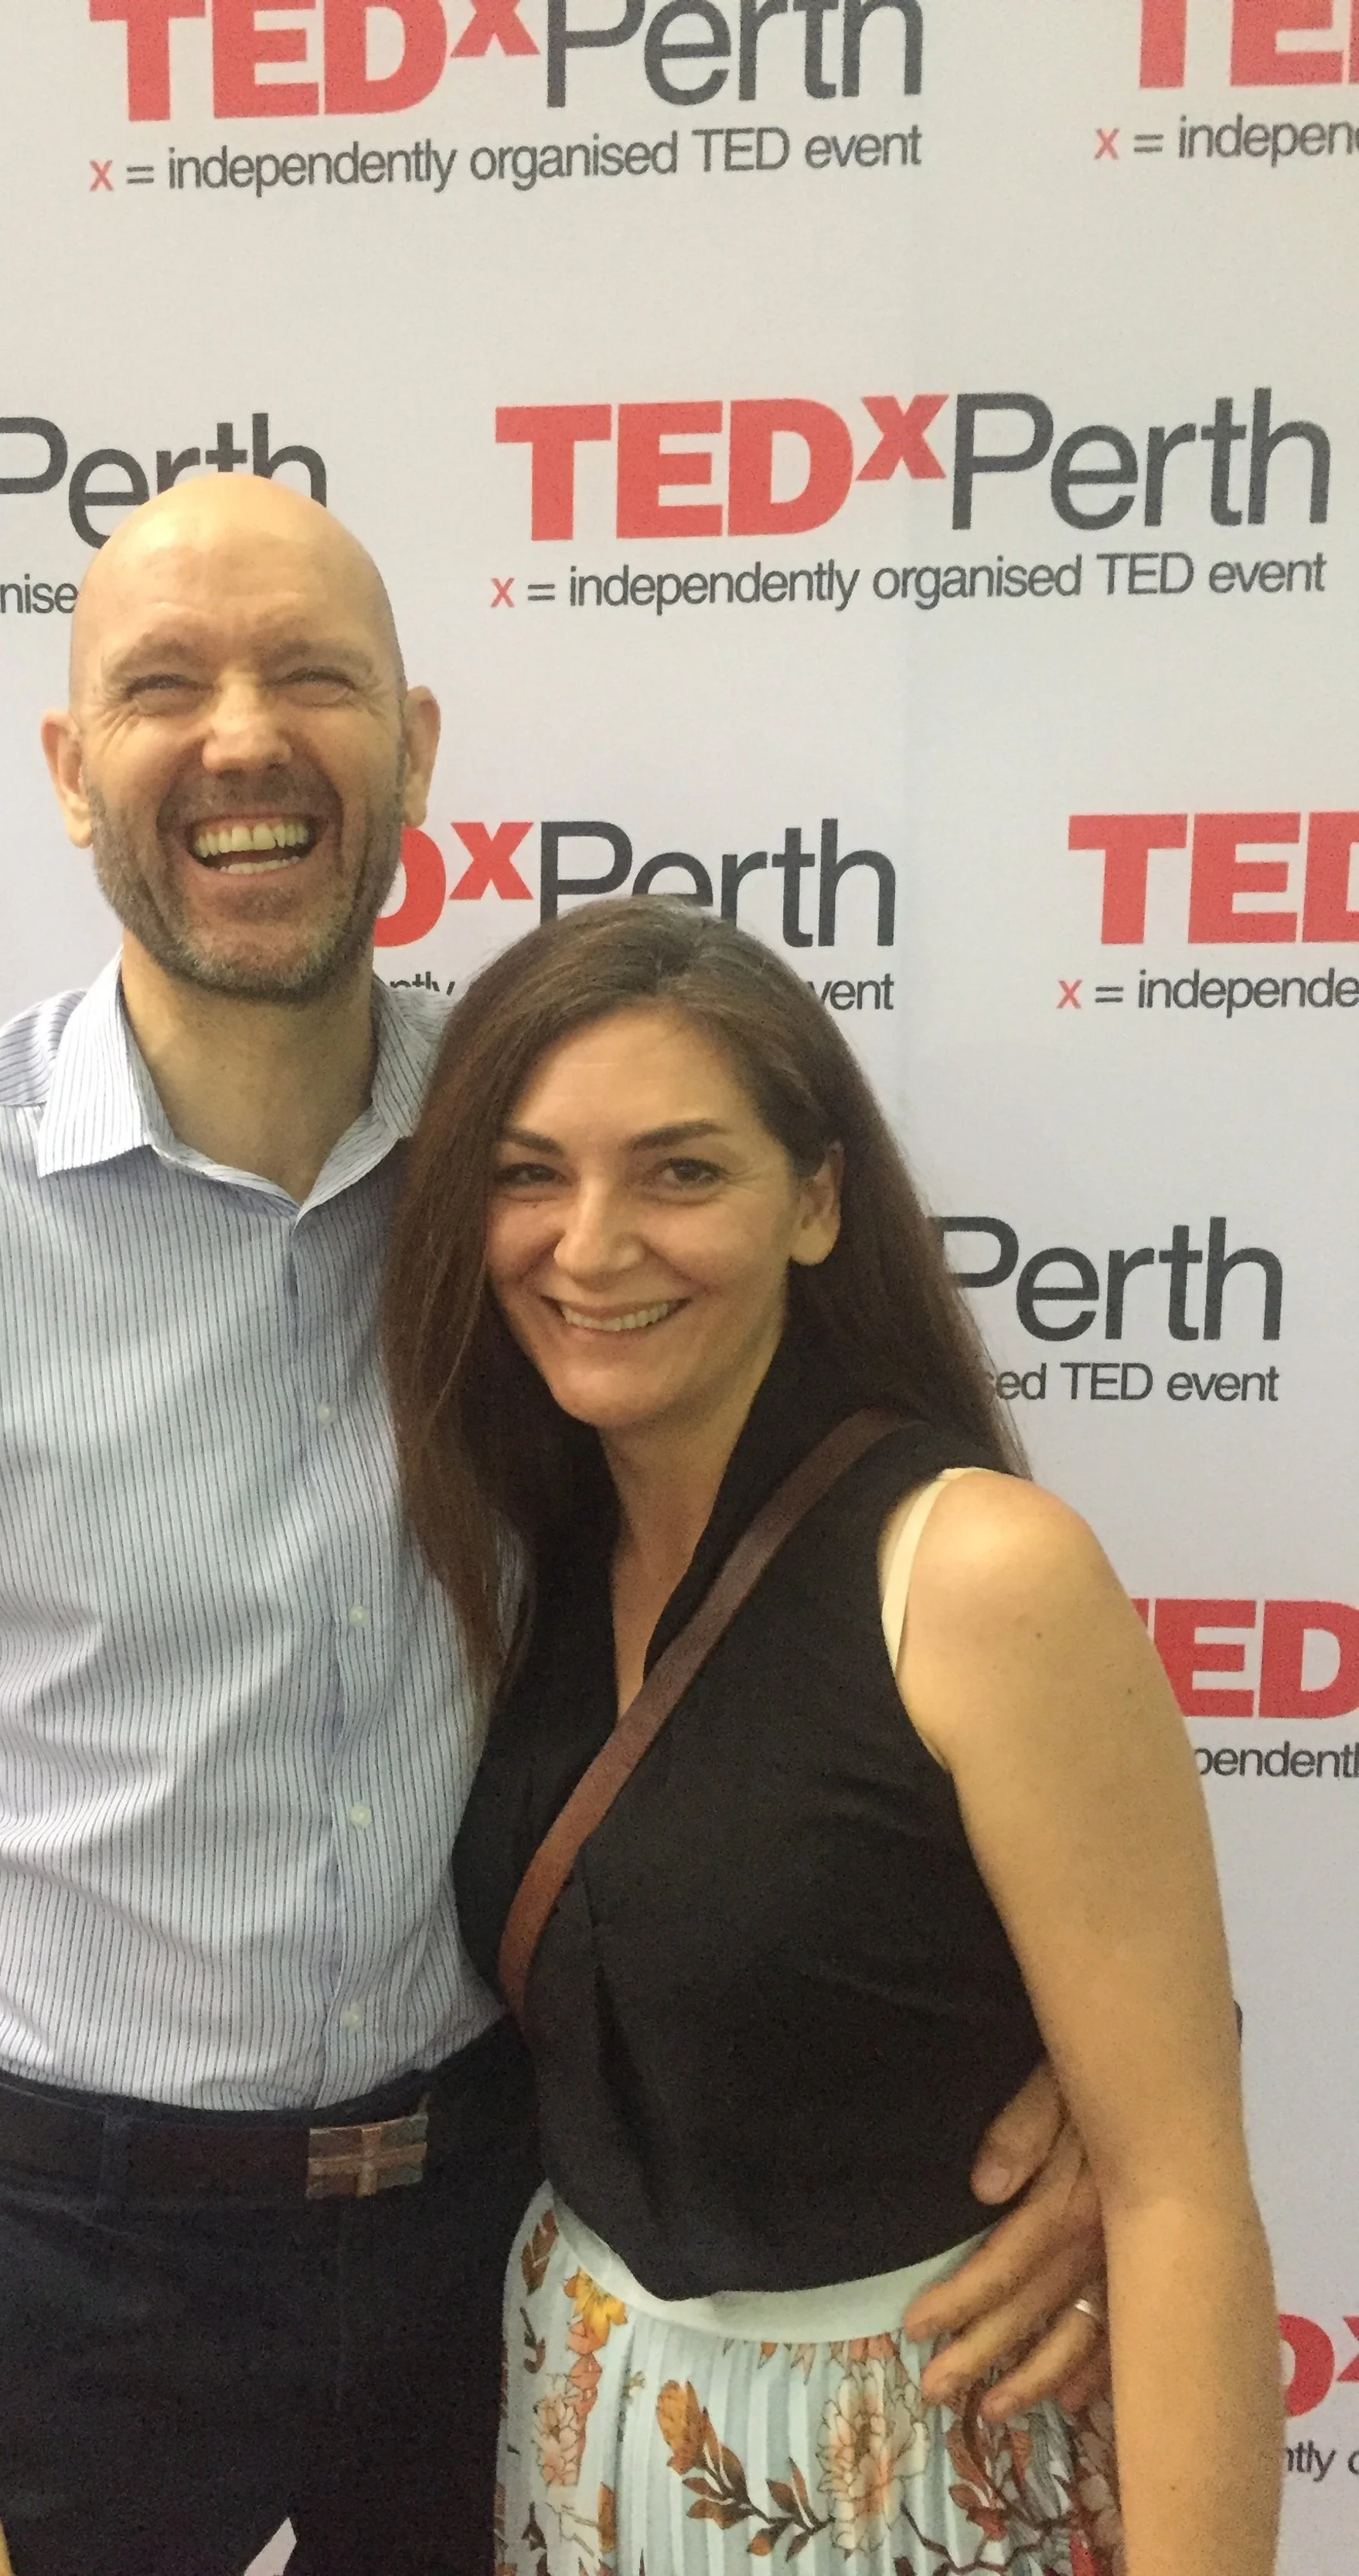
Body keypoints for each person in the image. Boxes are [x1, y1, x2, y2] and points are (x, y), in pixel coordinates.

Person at [0, 474, 1109, 2576]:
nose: (240, 735)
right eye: (162, 686)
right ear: (71, 774)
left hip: (493, 2218)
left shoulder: (547, 1182)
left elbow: (849, 1607)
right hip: (59, 2260)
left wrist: (1094, 2068)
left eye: (310, 676)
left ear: (415, 747)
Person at [375, 899, 1280, 2576]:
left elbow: (1176, 2197)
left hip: (916, 2463)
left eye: (678, 1172)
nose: (588, 1244)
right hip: (579, 2434)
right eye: (526, 1174)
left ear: (814, 1201)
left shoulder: (972, 1567)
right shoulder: (527, 1538)